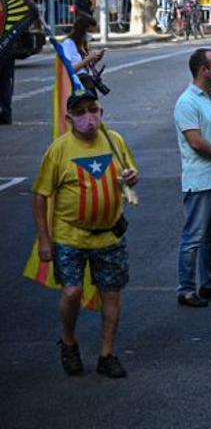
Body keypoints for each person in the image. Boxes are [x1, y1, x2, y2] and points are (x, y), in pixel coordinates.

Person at [33, 90, 138, 378]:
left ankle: (107, 354)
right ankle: (68, 342)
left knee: (111, 294)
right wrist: (44, 239)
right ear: (69, 119)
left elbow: (130, 173)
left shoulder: (114, 141)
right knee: (72, 292)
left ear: (101, 112)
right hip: (70, 236)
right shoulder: (58, 150)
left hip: (110, 235)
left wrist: (131, 177)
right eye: (80, 112)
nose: (88, 117)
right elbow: (41, 195)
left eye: (93, 109)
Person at [173, 49, 211, 308]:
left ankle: (208, 283)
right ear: (203, 70)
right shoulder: (187, 102)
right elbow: (196, 142)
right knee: (194, 235)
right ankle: (186, 288)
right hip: (200, 178)